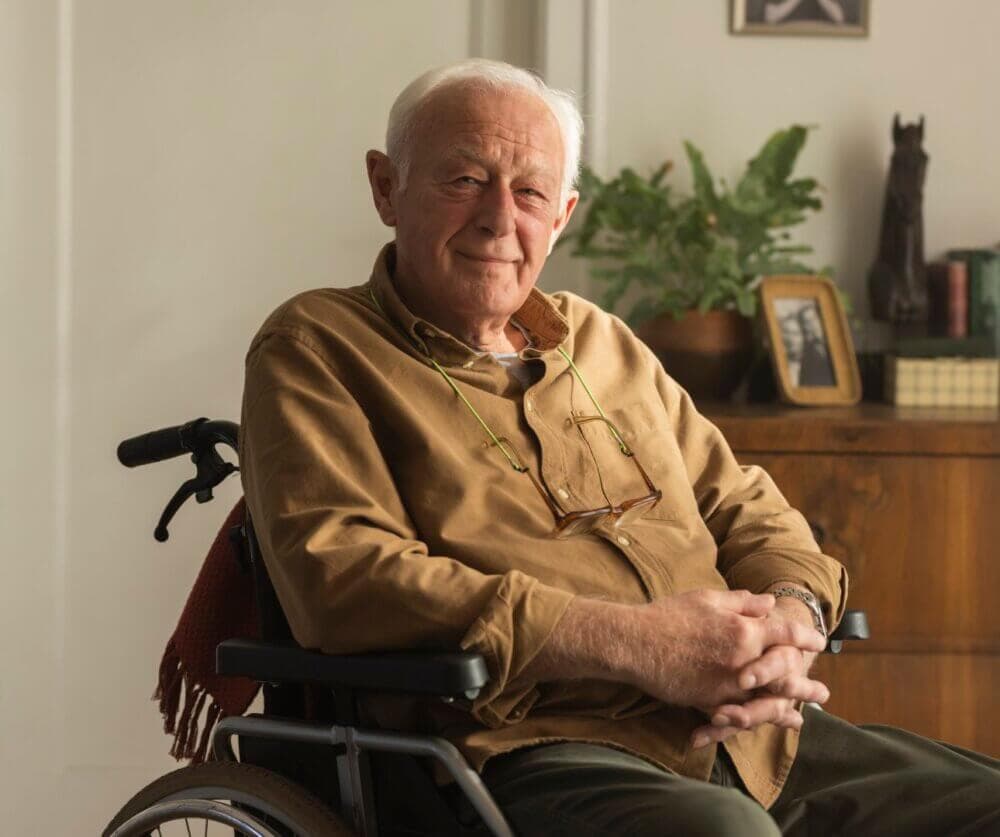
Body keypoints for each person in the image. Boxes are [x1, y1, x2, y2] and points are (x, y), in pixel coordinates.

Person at [239, 59, 999, 836]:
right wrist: (637, 644)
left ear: (563, 213)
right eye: (465, 179)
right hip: (528, 747)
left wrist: (787, 623)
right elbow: (346, 576)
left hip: (754, 740)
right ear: (385, 187)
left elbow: (745, 507)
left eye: (531, 192)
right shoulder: (316, 347)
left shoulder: (602, 342)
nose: (501, 219)